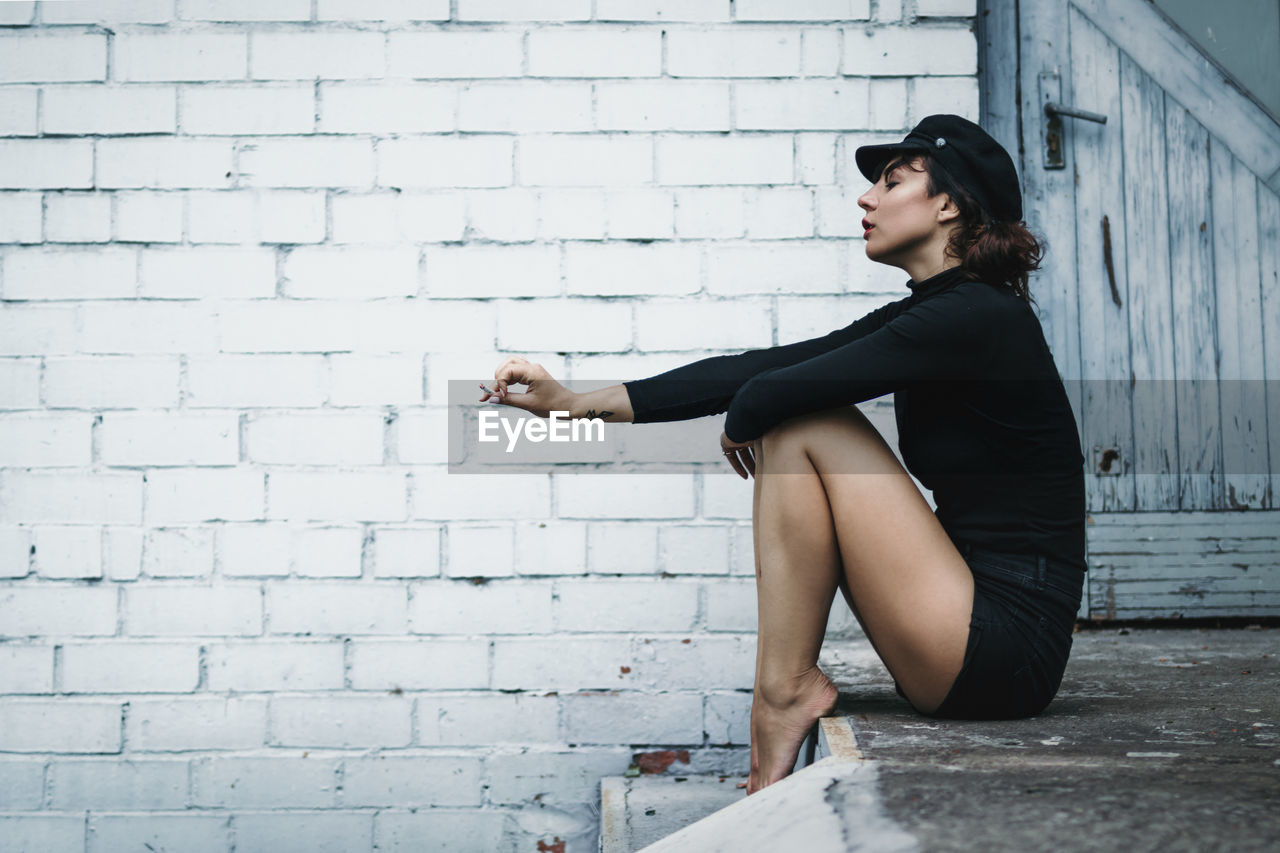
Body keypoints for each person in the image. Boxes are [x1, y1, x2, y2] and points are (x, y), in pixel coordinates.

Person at [480, 115, 1087, 795]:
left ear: (948, 203)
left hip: (1003, 647)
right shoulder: (941, 312)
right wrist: (572, 402)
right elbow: (761, 367)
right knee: (792, 411)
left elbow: (774, 392)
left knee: (803, 422)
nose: (866, 199)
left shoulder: (976, 316)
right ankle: (784, 689)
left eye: (892, 180)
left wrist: (753, 410)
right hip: (966, 625)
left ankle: (784, 689)